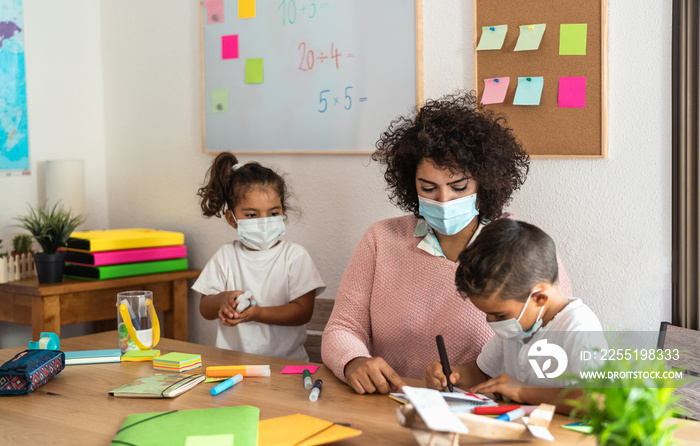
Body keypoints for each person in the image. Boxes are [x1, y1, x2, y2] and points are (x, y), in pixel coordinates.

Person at [322, 91, 572, 394]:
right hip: (391, 404)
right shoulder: (380, 240)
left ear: (484, 183)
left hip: (487, 417)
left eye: (458, 186)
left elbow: (552, 347)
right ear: (410, 184)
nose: (443, 200)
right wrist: (354, 361)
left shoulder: (524, 250)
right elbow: (342, 328)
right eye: (428, 187)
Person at [425, 218, 604, 412]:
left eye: (500, 315)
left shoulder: (578, 327)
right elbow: (484, 373)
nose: (492, 322)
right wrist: (452, 374)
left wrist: (523, 391)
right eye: (488, 315)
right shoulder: (519, 327)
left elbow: (598, 400)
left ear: (540, 298)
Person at [192, 153, 326, 361]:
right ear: (232, 219)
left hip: (286, 368)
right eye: (252, 215)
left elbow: (303, 312)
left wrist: (258, 314)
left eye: (273, 213)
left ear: (283, 212)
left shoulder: (295, 257)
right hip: (234, 366)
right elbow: (205, 308)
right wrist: (223, 300)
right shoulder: (226, 256)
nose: (264, 221)